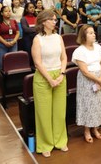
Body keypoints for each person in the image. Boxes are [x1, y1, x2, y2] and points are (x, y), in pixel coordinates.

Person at [31, 10, 68, 157]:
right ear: (43, 22)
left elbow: (64, 58)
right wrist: (50, 79)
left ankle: (60, 141)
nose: (55, 21)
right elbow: (37, 63)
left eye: (55, 19)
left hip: (59, 75)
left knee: (59, 112)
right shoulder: (37, 39)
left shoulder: (59, 37)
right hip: (43, 77)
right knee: (44, 113)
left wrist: (62, 74)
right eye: (52, 19)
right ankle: (45, 144)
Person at [72, 25, 101, 143]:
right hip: (87, 81)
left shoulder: (98, 47)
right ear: (83, 36)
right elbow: (85, 71)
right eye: (90, 33)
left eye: (94, 33)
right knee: (87, 104)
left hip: (98, 78)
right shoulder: (79, 51)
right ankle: (86, 130)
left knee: (97, 104)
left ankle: (95, 128)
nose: (94, 34)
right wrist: (97, 80)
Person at [0, 6, 20, 71]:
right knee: (1, 64)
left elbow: (17, 32)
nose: (8, 13)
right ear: (2, 13)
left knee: (13, 63)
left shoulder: (13, 21)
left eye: (9, 11)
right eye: (6, 11)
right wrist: (5, 43)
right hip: (1, 44)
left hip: (13, 43)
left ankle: (11, 80)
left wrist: (14, 41)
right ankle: (2, 80)